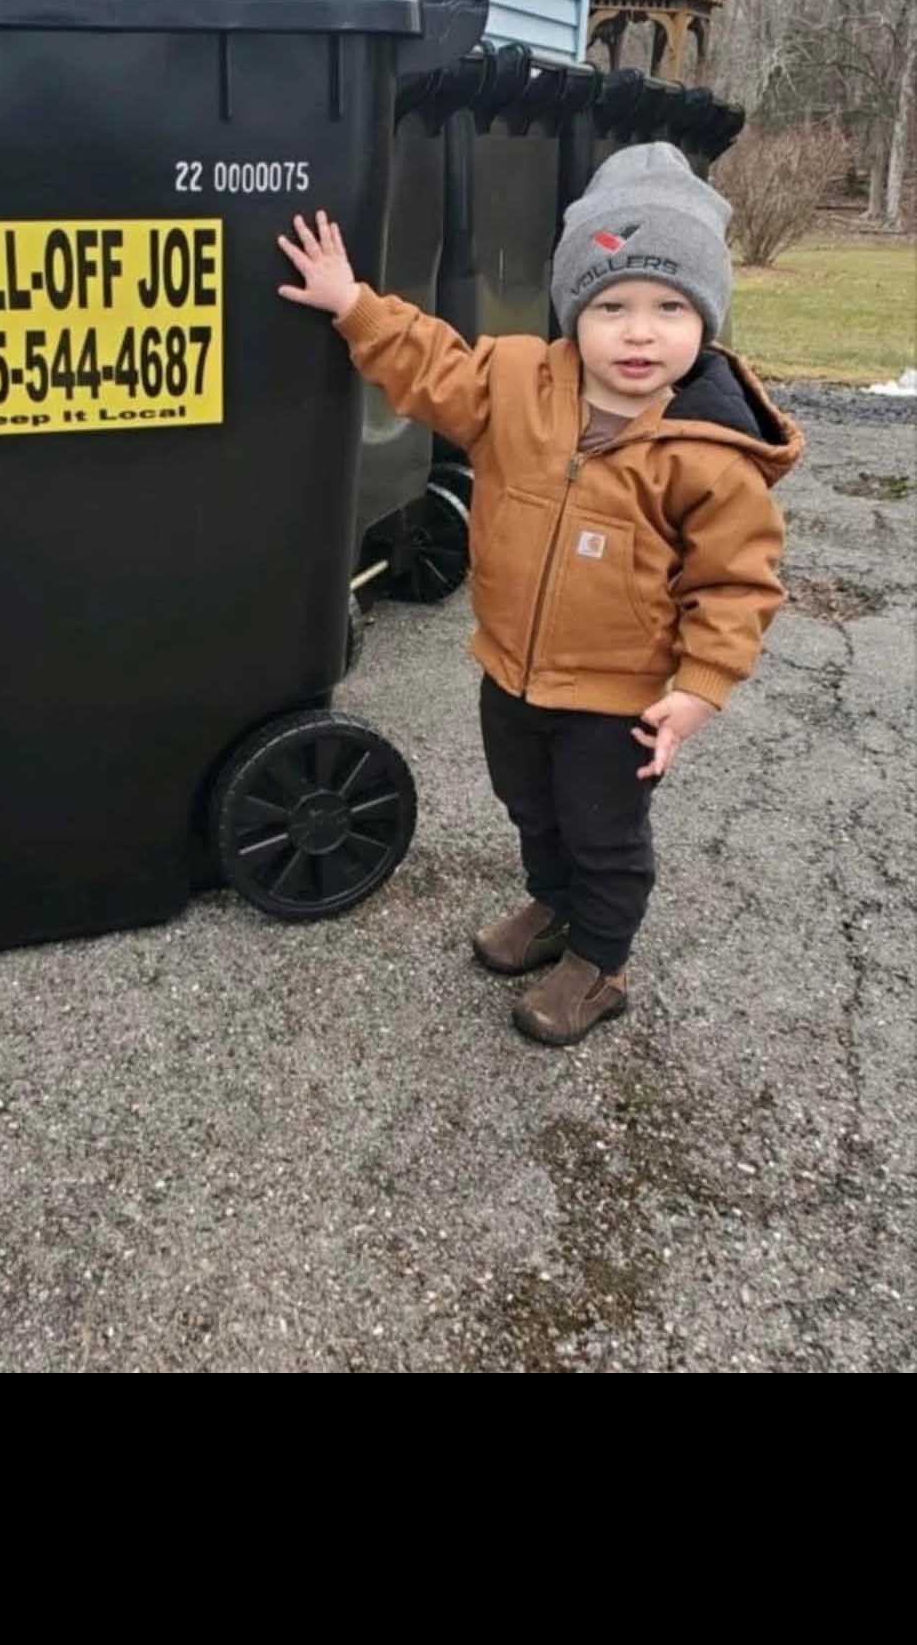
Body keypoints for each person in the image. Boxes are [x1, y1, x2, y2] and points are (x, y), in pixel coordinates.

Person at [276, 141, 804, 1048]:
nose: (640, 332)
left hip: (617, 699)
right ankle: (552, 910)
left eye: (670, 307)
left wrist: (699, 687)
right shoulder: (518, 382)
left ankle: (600, 963)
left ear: (706, 321)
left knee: (604, 834)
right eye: (613, 306)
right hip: (512, 670)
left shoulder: (710, 453)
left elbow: (736, 583)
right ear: (573, 312)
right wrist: (354, 305)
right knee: (531, 805)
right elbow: (433, 365)